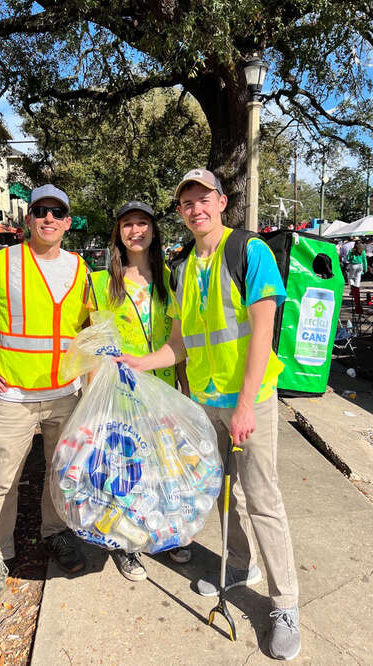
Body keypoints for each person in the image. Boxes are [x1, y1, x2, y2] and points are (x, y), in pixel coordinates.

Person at [121, 169, 300, 660]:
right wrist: (140, 361)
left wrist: (245, 404)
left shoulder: (250, 252)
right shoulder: (182, 268)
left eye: (204, 199)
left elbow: (263, 334)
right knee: (222, 495)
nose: (196, 209)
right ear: (180, 212)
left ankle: (285, 606)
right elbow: (179, 343)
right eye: (187, 203)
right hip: (205, 402)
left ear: (222, 202)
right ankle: (239, 567)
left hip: (250, 400)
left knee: (263, 500)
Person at [0, 184, 92, 603]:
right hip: (14, 396)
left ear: (67, 222)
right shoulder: (0, 264)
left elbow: (86, 327)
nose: (49, 219)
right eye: (41, 211)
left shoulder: (81, 268)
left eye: (58, 212)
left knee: (60, 472)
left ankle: (57, 534)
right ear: (27, 219)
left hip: (65, 394)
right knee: (3, 480)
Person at [89, 200, 190, 580]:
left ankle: (165, 535)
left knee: (164, 468)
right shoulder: (99, 283)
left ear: (154, 231)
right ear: (118, 233)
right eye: (128, 224)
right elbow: (87, 340)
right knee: (125, 469)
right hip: (118, 396)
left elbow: (179, 341)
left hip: (162, 392)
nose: (136, 231)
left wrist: (184, 388)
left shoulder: (171, 280)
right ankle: (126, 544)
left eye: (143, 223)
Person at [345, 240, 367, 315]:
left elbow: (348, 258)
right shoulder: (362, 251)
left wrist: (351, 258)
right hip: (360, 265)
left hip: (353, 265)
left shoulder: (352, 250)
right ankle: (356, 290)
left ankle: (352, 289)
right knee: (358, 279)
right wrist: (365, 268)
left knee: (350, 278)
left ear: (355, 244)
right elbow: (364, 260)